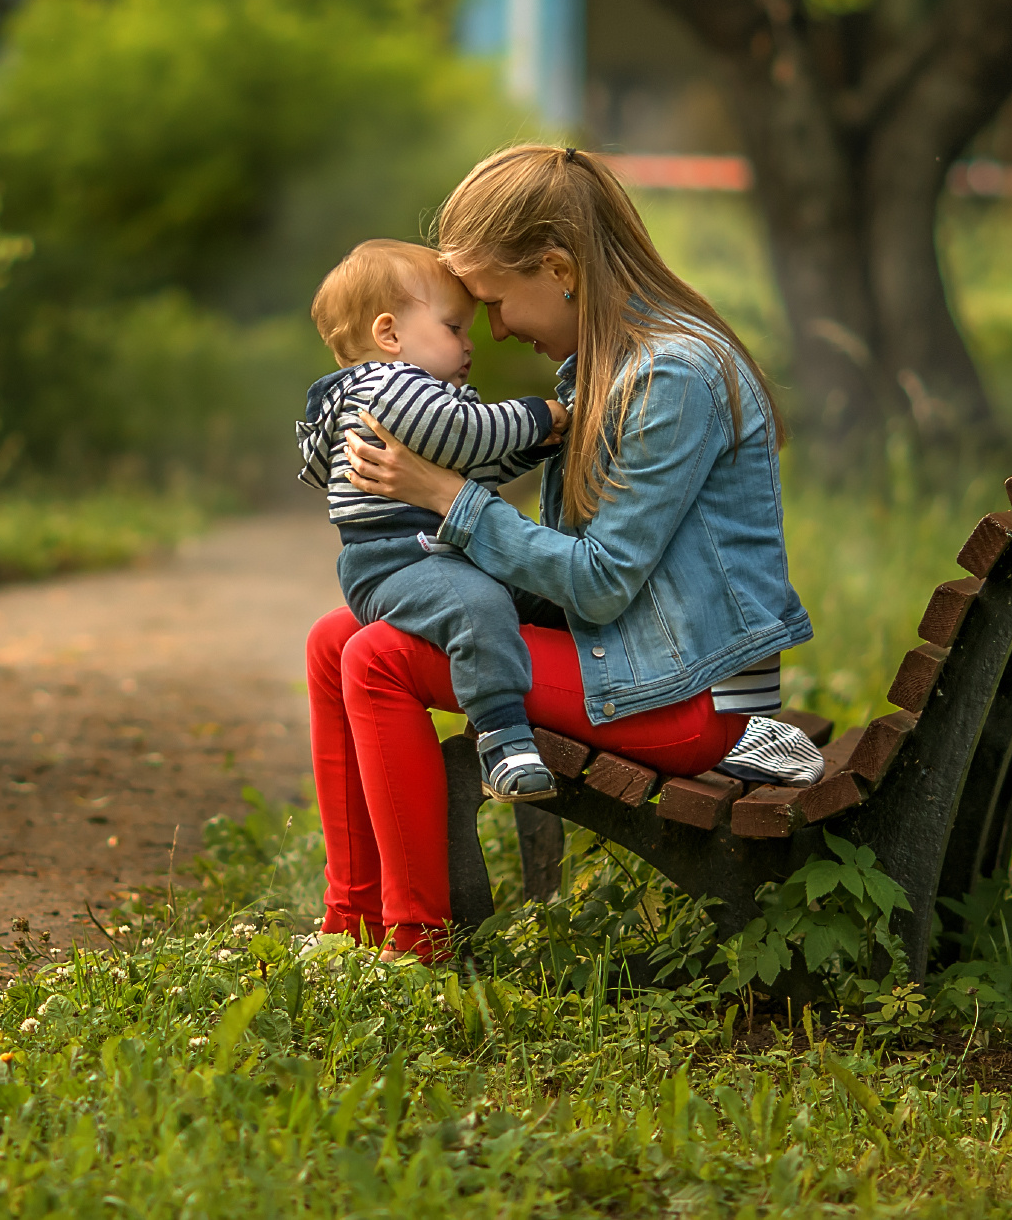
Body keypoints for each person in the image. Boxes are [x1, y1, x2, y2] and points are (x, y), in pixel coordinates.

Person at [308, 145, 825, 958]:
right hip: (640, 657)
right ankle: (352, 915)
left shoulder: (671, 377)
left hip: (691, 695)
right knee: (332, 638)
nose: (497, 327)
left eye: (496, 301)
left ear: (558, 267)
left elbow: (603, 580)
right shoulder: (608, 367)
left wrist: (446, 496)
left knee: (377, 657)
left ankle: (414, 940)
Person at [298, 239, 573, 802]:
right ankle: (503, 739)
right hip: (397, 561)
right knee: (478, 606)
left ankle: (582, 680)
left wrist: (531, 448)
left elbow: (474, 462)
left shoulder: (417, 397)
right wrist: (535, 415)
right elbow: (468, 433)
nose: (470, 344)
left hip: (430, 553)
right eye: (453, 327)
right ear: (390, 335)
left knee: (543, 596)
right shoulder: (387, 387)